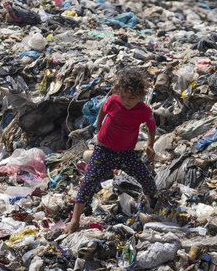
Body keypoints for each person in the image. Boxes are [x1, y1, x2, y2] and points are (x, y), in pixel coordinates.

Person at [64, 67, 157, 234]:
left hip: (126, 153)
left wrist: (150, 145)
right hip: (103, 150)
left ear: (141, 97)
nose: (126, 101)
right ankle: (75, 220)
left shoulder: (144, 111)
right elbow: (102, 110)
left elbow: (151, 127)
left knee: (146, 178)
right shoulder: (113, 101)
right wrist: (99, 128)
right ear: (118, 91)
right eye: (123, 96)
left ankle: (153, 202)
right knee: (88, 182)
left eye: (132, 98)